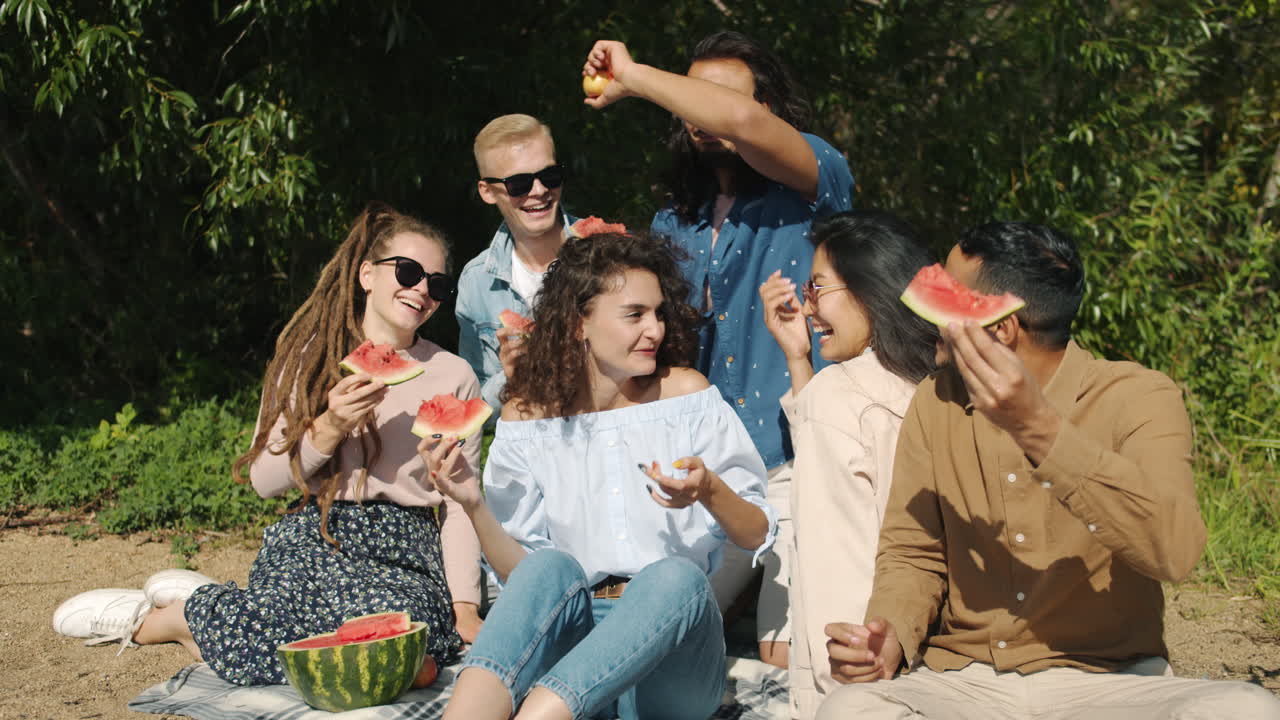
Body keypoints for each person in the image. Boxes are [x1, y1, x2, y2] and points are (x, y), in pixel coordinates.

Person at [817, 222, 1280, 719]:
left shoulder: (1140, 396)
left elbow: (1175, 552)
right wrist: (890, 634)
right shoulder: (937, 401)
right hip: (967, 686)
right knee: (849, 711)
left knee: (1246, 710)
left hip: (1112, 685)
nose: (927, 316)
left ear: (999, 327)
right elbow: (914, 552)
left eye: (949, 299)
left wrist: (1040, 430)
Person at [51, 202, 485, 685]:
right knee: (337, 648)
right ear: (367, 275)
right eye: (408, 271)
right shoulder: (308, 356)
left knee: (399, 643)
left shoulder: (455, 375)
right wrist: (330, 425)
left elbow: (459, 503)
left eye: (437, 284)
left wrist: (464, 606)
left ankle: (206, 616)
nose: (422, 290)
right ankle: (164, 620)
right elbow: (265, 482)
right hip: (318, 535)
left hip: (405, 552)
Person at [583, 30, 855, 670]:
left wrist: (632, 74)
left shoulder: (816, 183)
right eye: (693, 97)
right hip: (707, 471)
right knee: (659, 631)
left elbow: (740, 120)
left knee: (782, 655)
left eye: (716, 98)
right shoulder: (674, 219)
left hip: (796, 459)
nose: (703, 112)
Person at [428, 230, 777, 720]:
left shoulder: (687, 397)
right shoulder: (527, 421)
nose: (654, 329)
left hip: (670, 654)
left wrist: (710, 490)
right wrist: (473, 504)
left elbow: (757, 531)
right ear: (579, 324)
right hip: (572, 642)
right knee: (548, 568)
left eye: (658, 312)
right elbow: (521, 578)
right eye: (635, 314)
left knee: (675, 575)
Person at [757, 210, 937, 719]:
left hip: (862, 674)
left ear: (869, 288)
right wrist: (799, 360)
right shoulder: (935, 382)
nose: (808, 307)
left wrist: (829, 691)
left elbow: (837, 565)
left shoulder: (839, 396)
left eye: (818, 287)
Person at [457, 114, 579, 415]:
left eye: (549, 175)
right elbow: (477, 405)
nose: (538, 190)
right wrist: (510, 378)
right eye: (519, 183)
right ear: (487, 191)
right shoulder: (476, 282)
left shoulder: (610, 253)